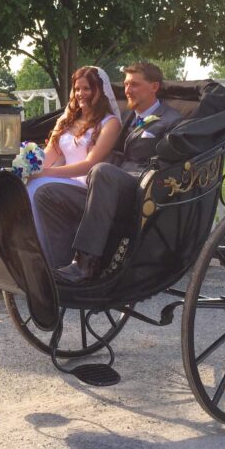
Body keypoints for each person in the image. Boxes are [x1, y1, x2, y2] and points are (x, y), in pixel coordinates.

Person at [34, 61, 183, 283]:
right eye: (126, 84)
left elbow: (171, 164)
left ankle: (86, 264)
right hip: (107, 189)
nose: (127, 90)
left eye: (134, 85)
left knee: (101, 169)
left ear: (154, 87)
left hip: (143, 190)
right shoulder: (128, 119)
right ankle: (57, 266)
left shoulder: (172, 121)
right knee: (46, 193)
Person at [26, 66, 122, 267]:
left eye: (87, 88)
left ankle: (48, 257)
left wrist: (44, 173)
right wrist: (26, 168)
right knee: (23, 184)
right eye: (77, 89)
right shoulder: (66, 121)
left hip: (88, 188)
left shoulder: (109, 123)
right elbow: (48, 156)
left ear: (99, 91)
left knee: (38, 186)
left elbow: (89, 165)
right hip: (60, 179)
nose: (80, 94)